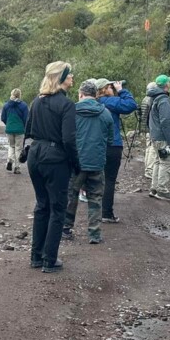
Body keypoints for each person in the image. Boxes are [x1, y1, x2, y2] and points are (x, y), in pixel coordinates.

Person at [25, 61, 78, 273]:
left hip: (35, 155)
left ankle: (36, 256)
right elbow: (69, 139)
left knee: (42, 205)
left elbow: (28, 130)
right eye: (70, 74)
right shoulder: (66, 105)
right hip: (55, 159)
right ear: (62, 78)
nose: (73, 77)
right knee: (58, 208)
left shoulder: (36, 101)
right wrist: (76, 164)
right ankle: (49, 260)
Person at [63, 80, 114, 244]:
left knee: (71, 195)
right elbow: (110, 140)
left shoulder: (72, 111)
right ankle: (94, 234)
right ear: (96, 94)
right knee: (95, 198)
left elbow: (66, 137)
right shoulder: (105, 113)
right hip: (97, 162)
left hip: (75, 162)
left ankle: (66, 227)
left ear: (80, 94)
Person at [96, 78, 138, 222]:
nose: (112, 89)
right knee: (109, 179)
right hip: (112, 144)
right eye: (110, 87)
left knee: (95, 178)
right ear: (104, 89)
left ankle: (94, 212)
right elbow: (131, 105)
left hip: (96, 145)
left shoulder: (93, 102)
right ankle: (106, 213)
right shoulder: (108, 101)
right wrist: (121, 90)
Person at [146, 75, 170, 200]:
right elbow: (166, 121)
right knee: (166, 162)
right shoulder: (163, 100)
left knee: (157, 161)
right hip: (163, 137)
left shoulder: (154, 98)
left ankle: (154, 188)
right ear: (166, 85)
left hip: (155, 136)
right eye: (169, 83)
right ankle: (162, 190)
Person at [0, 88, 29, 174]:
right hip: (20, 130)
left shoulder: (6, 105)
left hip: (9, 129)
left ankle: (10, 160)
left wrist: (8, 124)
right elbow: (26, 119)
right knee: (18, 148)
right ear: (20, 95)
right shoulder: (23, 105)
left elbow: (3, 118)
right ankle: (17, 167)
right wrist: (24, 128)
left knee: (11, 146)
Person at [139, 81, 158, 181]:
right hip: (150, 127)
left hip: (146, 127)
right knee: (151, 149)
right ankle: (150, 170)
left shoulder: (145, 99)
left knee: (148, 148)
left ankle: (148, 168)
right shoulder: (151, 99)